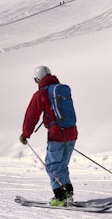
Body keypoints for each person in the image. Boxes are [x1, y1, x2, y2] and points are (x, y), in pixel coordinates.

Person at [19, 65, 78, 205]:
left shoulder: (41, 94)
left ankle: (60, 197)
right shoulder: (61, 90)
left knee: (52, 165)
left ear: (38, 79)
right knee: (62, 165)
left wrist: (25, 134)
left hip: (57, 134)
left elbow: (31, 116)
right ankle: (67, 192)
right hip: (72, 132)